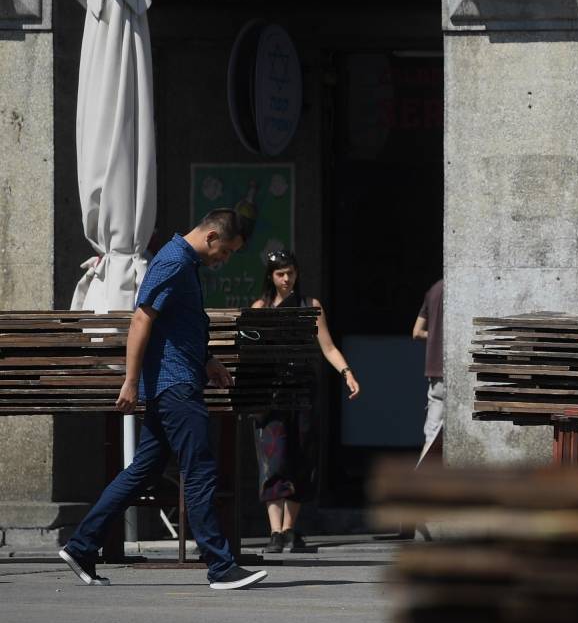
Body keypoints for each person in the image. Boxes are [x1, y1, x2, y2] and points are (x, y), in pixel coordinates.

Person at [58, 210, 267, 590]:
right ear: (212, 238)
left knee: (143, 471)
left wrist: (208, 360)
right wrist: (130, 381)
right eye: (228, 252)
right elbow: (142, 320)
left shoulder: (181, 261)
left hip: (179, 378)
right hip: (174, 386)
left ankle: (82, 546)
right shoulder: (172, 262)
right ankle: (220, 566)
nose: (225, 260)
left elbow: (177, 327)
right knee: (200, 468)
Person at [250, 249, 360, 553]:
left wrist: (346, 372)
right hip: (270, 393)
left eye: (291, 273)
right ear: (271, 277)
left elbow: (328, 347)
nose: (287, 279)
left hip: (302, 390)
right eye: (280, 274)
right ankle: (274, 531)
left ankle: (289, 528)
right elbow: (251, 354)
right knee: (272, 459)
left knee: (301, 457)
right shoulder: (260, 308)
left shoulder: (310, 306)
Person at [412, 278, 445, 463]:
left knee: (432, 436)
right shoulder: (463, 286)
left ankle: (419, 481)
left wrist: (435, 336)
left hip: (434, 372)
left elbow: (416, 332)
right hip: (456, 372)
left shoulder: (433, 290)